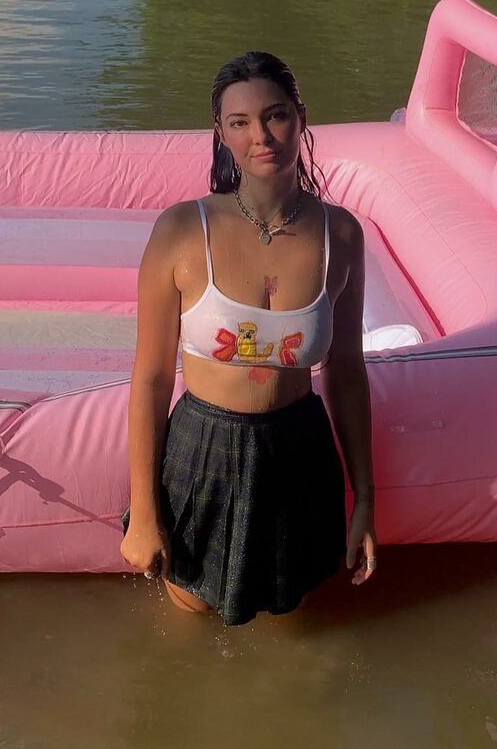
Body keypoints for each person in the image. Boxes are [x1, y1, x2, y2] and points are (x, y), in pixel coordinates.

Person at [120, 51, 377, 626]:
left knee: (297, 615)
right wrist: (143, 511)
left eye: (275, 115)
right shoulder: (181, 230)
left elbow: (346, 375)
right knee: (190, 613)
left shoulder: (341, 234)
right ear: (221, 133)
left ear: (300, 117)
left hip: (299, 450)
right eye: (240, 122)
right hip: (202, 449)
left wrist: (365, 498)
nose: (260, 135)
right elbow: (152, 378)